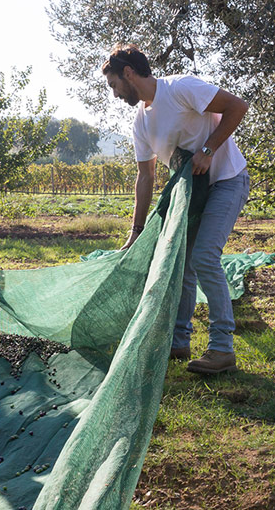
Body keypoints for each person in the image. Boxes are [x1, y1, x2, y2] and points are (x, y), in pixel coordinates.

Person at [102, 44, 250, 374]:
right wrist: (136, 230)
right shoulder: (141, 121)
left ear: (128, 73)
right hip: (190, 194)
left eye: (113, 85)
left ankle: (222, 348)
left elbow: (237, 106)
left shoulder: (181, 88)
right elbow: (146, 176)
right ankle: (179, 341)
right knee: (182, 262)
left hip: (227, 181)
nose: (114, 94)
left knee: (204, 256)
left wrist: (209, 149)